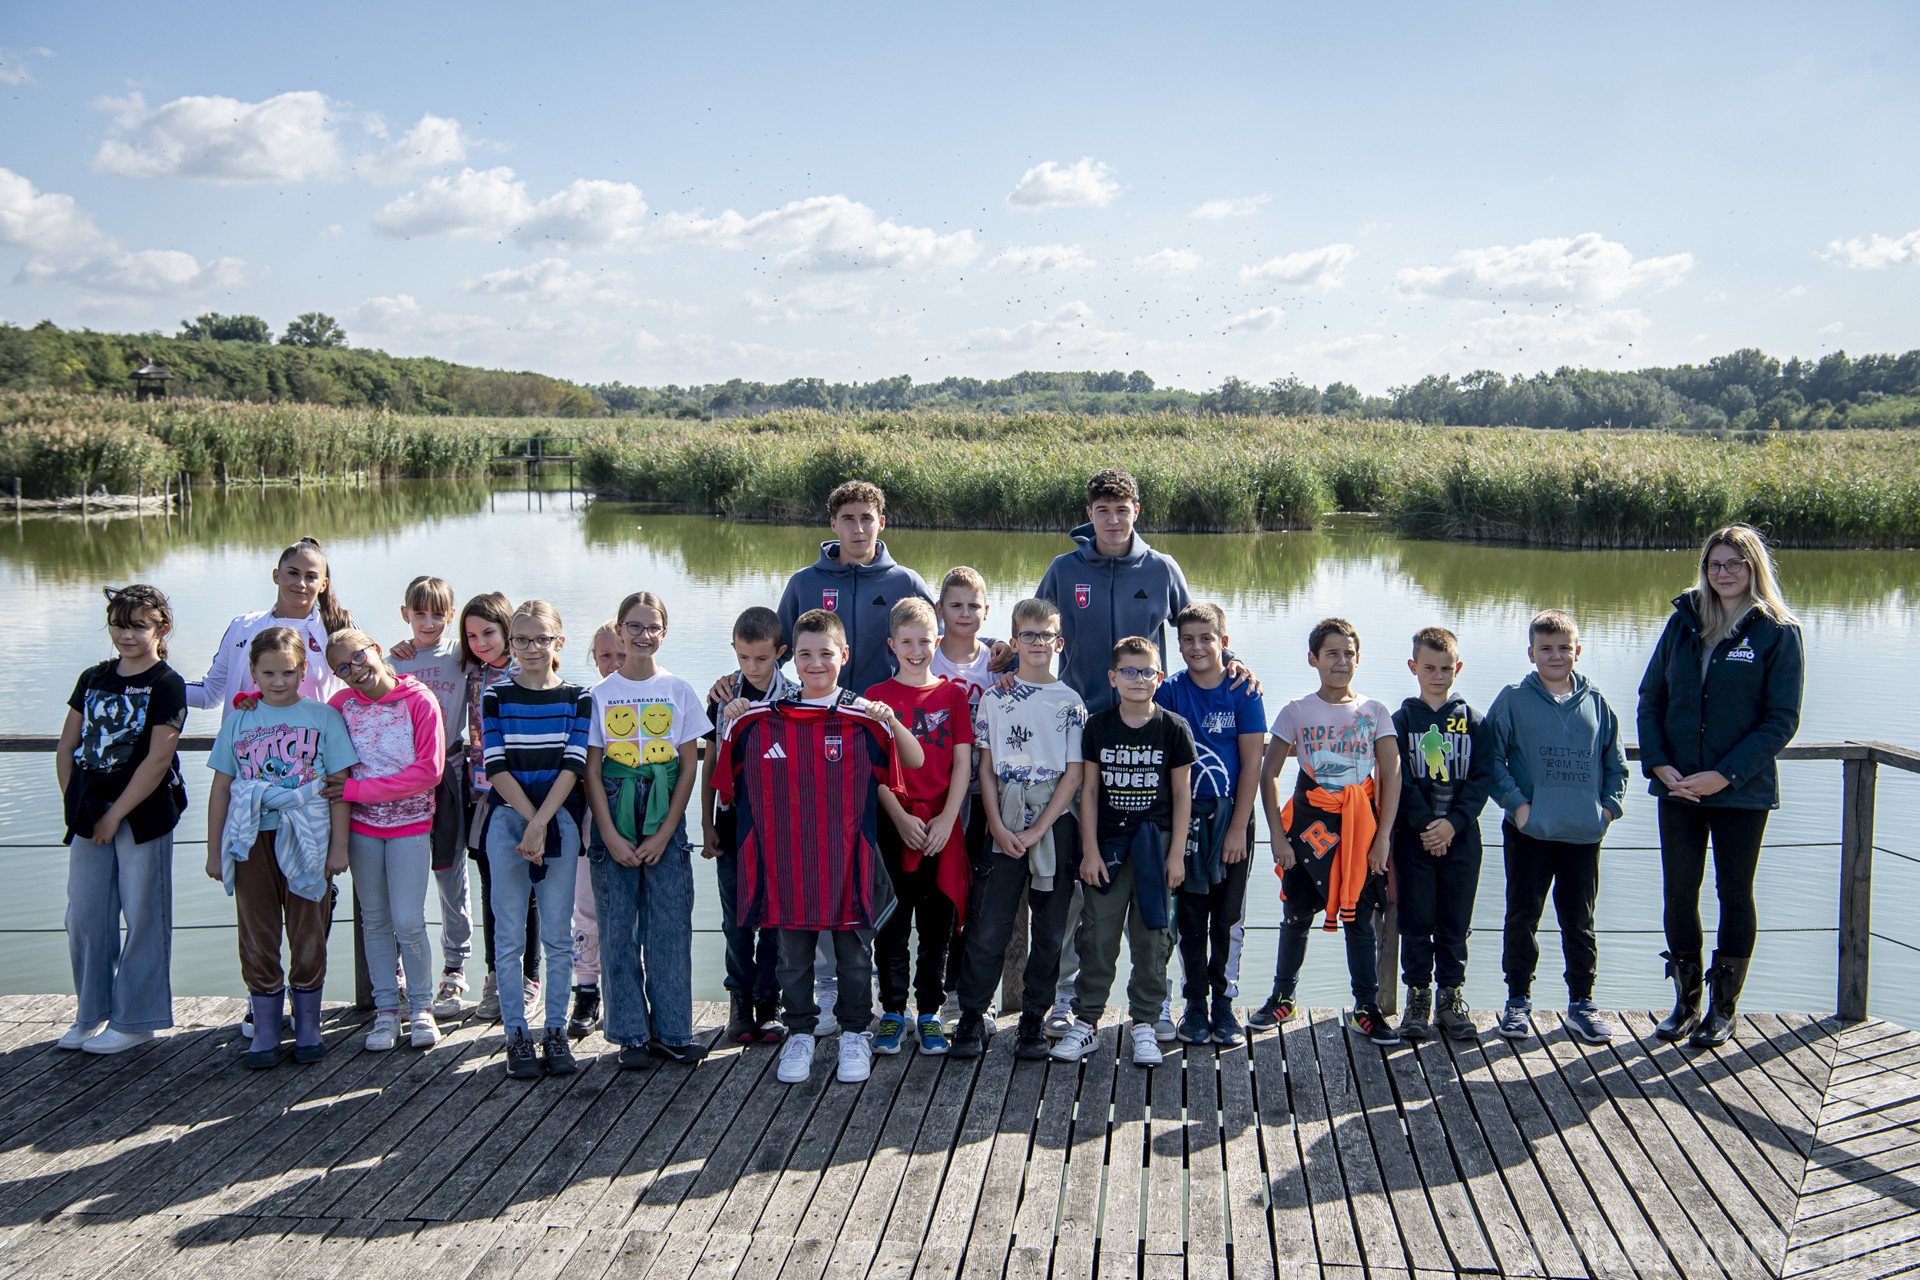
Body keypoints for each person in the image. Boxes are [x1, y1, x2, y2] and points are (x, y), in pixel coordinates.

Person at [716, 608, 923, 1087]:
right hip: (788, 865)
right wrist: (730, 718)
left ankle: (855, 1032)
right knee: (792, 959)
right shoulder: (756, 721)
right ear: (792, 658)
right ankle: (800, 1033)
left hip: (848, 862)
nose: (815, 664)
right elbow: (725, 786)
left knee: (854, 957)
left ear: (844, 656)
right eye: (805, 654)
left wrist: (891, 720)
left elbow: (912, 761)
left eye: (825, 654)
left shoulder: (861, 716)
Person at [1638, 525, 1804, 1047]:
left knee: (1734, 894)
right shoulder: (1683, 621)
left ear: (1754, 567)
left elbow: (1781, 720)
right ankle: (1685, 1004)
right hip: (1680, 788)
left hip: (1740, 790)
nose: (1724, 573)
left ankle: (1723, 1009)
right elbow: (1651, 699)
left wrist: (1724, 775)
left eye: (1735, 563)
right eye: (1715, 564)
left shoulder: (1778, 631)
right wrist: (1660, 766)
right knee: (1678, 892)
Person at [204, 628, 355, 1068]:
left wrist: (339, 847)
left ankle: (308, 1025)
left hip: (310, 836)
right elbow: (221, 788)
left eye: (287, 672)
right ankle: (266, 1028)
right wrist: (214, 850)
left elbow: (340, 787)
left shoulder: (324, 718)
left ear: (303, 670)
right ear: (252, 672)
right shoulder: (239, 720)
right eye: (267, 673)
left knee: (309, 928)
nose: (277, 682)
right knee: (257, 931)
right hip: (251, 837)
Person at [1248, 618, 1402, 1046]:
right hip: (1308, 826)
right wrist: (1278, 836)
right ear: (1313, 659)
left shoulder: (1374, 711)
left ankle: (1366, 1007)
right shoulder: (1297, 711)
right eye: (1332, 653)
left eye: (1349, 653)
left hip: (1359, 829)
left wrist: (1383, 838)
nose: (1341, 661)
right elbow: (1268, 774)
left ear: (1358, 658)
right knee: (1296, 913)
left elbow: (1391, 774)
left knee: (1360, 918)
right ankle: (1283, 997)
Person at [948, 598, 1087, 1062]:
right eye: (1028, 635)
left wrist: (1038, 829)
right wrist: (995, 823)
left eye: (1046, 635)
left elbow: (1073, 774)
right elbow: (985, 768)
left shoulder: (1070, 703)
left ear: (1059, 643)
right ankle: (972, 1016)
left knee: (1050, 928)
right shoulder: (996, 698)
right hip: (1004, 817)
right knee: (989, 923)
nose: (1037, 643)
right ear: (1015, 641)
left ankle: (1032, 1018)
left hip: (1054, 823)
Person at [55, 585, 189, 1054]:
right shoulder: (93, 677)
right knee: (85, 915)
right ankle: (90, 1015)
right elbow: (66, 747)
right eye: (117, 625)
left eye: (137, 626)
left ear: (161, 629)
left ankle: (136, 1021)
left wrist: (115, 816)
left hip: (143, 813)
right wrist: (78, 806)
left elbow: (157, 760)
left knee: (144, 914)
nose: (125, 635)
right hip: (89, 813)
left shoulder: (166, 682)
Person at [1053, 636, 1196, 1068]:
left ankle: (1145, 1024)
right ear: (1113, 677)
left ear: (1160, 677)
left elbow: (1182, 795)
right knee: (1097, 935)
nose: (1138, 679)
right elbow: (1089, 792)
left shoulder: (1173, 728)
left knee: (1152, 938)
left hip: (1155, 847)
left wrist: (1176, 855)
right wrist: (1089, 851)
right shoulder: (1098, 726)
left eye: (1147, 672)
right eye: (1129, 672)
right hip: (1108, 848)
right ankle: (1087, 1022)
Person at [1488, 609, 1628, 1046]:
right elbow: (1491, 760)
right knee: (1522, 916)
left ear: (1577, 651)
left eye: (1564, 648)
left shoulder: (1596, 702)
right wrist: (1518, 806)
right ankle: (1517, 1002)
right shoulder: (1513, 699)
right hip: (1529, 831)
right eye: (1545, 648)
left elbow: (1616, 765)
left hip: (1582, 834)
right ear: (1531, 653)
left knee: (1579, 920)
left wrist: (1607, 811)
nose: (1555, 655)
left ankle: (1582, 1003)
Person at [584, 591, 709, 1067]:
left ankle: (673, 1030)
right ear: (619, 631)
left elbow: (688, 766)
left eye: (653, 627)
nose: (643, 635)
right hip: (614, 809)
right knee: (618, 928)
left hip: (664, 812)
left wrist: (664, 833)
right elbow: (591, 770)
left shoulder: (678, 689)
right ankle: (630, 1034)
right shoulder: (598, 696)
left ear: (664, 632)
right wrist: (610, 835)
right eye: (634, 627)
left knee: (670, 926)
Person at [481, 600, 593, 1079]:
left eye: (541, 639)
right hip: (508, 821)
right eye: (521, 640)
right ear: (510, 643)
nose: (531, 648)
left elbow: (573, 764)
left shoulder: (578, 697)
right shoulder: (496, 696)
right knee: (508, 938)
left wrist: (542, 822)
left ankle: (554, 1031)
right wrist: (531, 821)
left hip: (558, 821)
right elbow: (495, 765)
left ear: (558, 642)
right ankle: (516, 1035)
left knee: (558, 937)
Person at [324, 628, 447, 1052]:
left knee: (409, 921)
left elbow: (429, 771)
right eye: (342, 668)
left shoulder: (419, 700)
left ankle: (422, 1008)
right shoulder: (340, 706)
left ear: (375, 650)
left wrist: (358, 790)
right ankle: (386, 1011)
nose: (355, 671)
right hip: (362, 829)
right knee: (374, 920)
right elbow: (314, 736)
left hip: (410, 826)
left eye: (358, 657)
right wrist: (253, 702)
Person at [864, 598, 973, 1057]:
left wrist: (948, 819)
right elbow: (872, 770)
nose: (916, 651)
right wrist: (898, 816)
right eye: (906, 642)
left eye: (924, 641)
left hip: (942, 828)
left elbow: (964, 764)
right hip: (896, 825)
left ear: (937, 642)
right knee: (892, 923)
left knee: (937, 926)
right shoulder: (876, 698)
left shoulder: (953, 696)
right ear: (892, 645)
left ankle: (929, 1012)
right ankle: (893, 1011)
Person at [1155, 602, 1265, 1049]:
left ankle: (1224, 1002)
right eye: (1187, 639)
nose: (1196, 647)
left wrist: (1238, 827)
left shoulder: (1243, 690)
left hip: (1231, 817)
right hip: (1186, 819)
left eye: (1206, 638)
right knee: (1190, 916)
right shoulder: (1170, 691)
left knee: (1228, 916)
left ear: (1224, 641)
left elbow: (1253, 762)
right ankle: (1195, 1003)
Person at [1390, 627, 1495, 1042]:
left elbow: (1482, 778)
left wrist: (1453, 823)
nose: (1438, 676)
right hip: (1413, 839)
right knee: (1416, 921)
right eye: (1429, 668)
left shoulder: (1475, 722)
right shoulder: (1400, 722)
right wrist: (1425, 824)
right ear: (1413, 667)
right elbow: (1397, 779)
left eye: (1446, 668)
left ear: (1458, 668)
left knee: (1455, 921)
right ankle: (1418, 997)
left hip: (1461, 838)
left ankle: (1450, 999)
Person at [700, 607, 796, 1045]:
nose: (752, 667)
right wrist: (706, 821)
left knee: (775, 917)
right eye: (743, 658)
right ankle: (739, 1000)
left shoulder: (795, 697)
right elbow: (711, 762)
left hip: (781, 826)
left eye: (761, 658)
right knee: (736, 919)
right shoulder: (721, 699)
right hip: (733, 821)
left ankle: (768, 1001)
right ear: (734, 651)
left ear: (780, 652)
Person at [387, 576, 475, 1021]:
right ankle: (398, 967)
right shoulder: (391, 662)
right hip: (403, 778)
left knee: (450, 872)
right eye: (419, 614)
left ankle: (455, 966)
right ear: (405, 614)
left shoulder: (462, 656)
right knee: (401, 875)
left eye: (437, 614)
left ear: (450, 615)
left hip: (451, 773)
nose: (428, 623)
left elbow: (505, 652)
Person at [457, 592, 541, 1023]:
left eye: (488, 633)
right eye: (471, 636)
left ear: (508, 630)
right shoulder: (471, 671)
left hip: (524, 796)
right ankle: (495, 977)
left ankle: (529, 978)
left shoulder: (527, 669)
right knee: (492, 890)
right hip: (481, 797)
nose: (480, 643)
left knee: (528, 892)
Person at [929, 566, 998, 1026]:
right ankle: (931, 995)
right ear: (939, 610)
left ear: (986, 611)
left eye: (973, 606)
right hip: (938, 797)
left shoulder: (999, 662)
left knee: (980, 898)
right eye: (955, 605)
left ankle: (969, 993)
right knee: (940, 897)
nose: (965, 613)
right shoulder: (924, 657)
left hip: (985, 794)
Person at [186, 537, 350, 713]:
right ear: (276, 576)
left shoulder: (336, 627)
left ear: (323, 584)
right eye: (293, 573)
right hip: (246, 731)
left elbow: (366, 683)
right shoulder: (242, 627)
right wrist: (163, 682)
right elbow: (209, 694)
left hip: (317, 730)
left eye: (310, 577)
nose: (300, 583)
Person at [566, 620, 625, 1040]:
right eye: (606, 655)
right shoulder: (584, 702)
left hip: (638, 819)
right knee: (586, 908)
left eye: (622, 654)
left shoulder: (655, 698)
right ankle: (586, 991)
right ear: (594, 658)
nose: (615, 663)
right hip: (589, 821)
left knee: (633, 911)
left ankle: (629, 993)